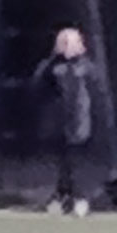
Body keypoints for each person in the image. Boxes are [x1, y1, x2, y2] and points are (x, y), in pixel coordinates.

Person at [33, 27, 97, 218]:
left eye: (73, 42)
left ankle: (79, 199)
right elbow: (38, 87)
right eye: (65, 42)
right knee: (61, 163)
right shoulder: (51, 67)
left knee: (77, 162)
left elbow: (95, 91)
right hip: (57, 122)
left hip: (79, 122)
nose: (69, 47)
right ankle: (60, 197)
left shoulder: (86, 67)